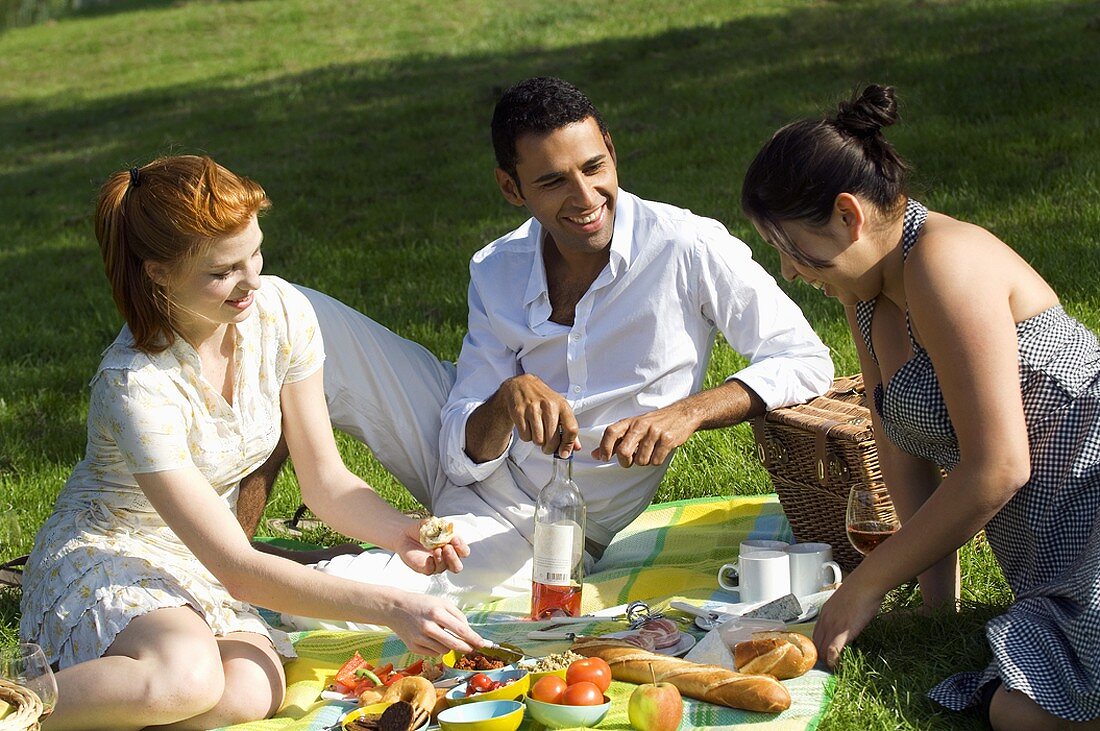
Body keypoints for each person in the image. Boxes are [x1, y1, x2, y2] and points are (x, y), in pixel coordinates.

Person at [256, 75, 834, 620]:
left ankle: (237, 579)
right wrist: (507, 401)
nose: (585, 197)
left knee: (354, 599)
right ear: (511, 187)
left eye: (594, 167)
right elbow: (462, 447)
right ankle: (219, 538)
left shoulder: (687, 247)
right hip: (459, 450)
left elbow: (805, 358)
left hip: (547, 526)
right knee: (278, 308)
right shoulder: (497, 266)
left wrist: (689, 412)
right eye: (553, 181)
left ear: (611, 149)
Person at [19, 156, 485, 731]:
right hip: (110, 549)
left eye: (254, 253)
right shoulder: (135, 386)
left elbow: (327, 481)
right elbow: (238, 568)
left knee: (248, 695)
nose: (252, 282)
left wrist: (400, 532)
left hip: (197, 553)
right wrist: (390, 607)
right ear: (158, 272)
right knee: (185, 679)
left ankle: (106, 707)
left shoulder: (282, 313)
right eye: (223, 271)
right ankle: (16, 702)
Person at [740, 84, 1100, 729]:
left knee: (1024, 712)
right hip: (1054, 561)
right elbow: (899, 448)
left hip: (1089, 523)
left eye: (793, 248)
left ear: (848, 216)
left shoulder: (945, 262)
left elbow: (998, 467)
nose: (792, 272)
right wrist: (938, 604)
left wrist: (865, 583)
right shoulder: (869, 292)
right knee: (1018, 709)